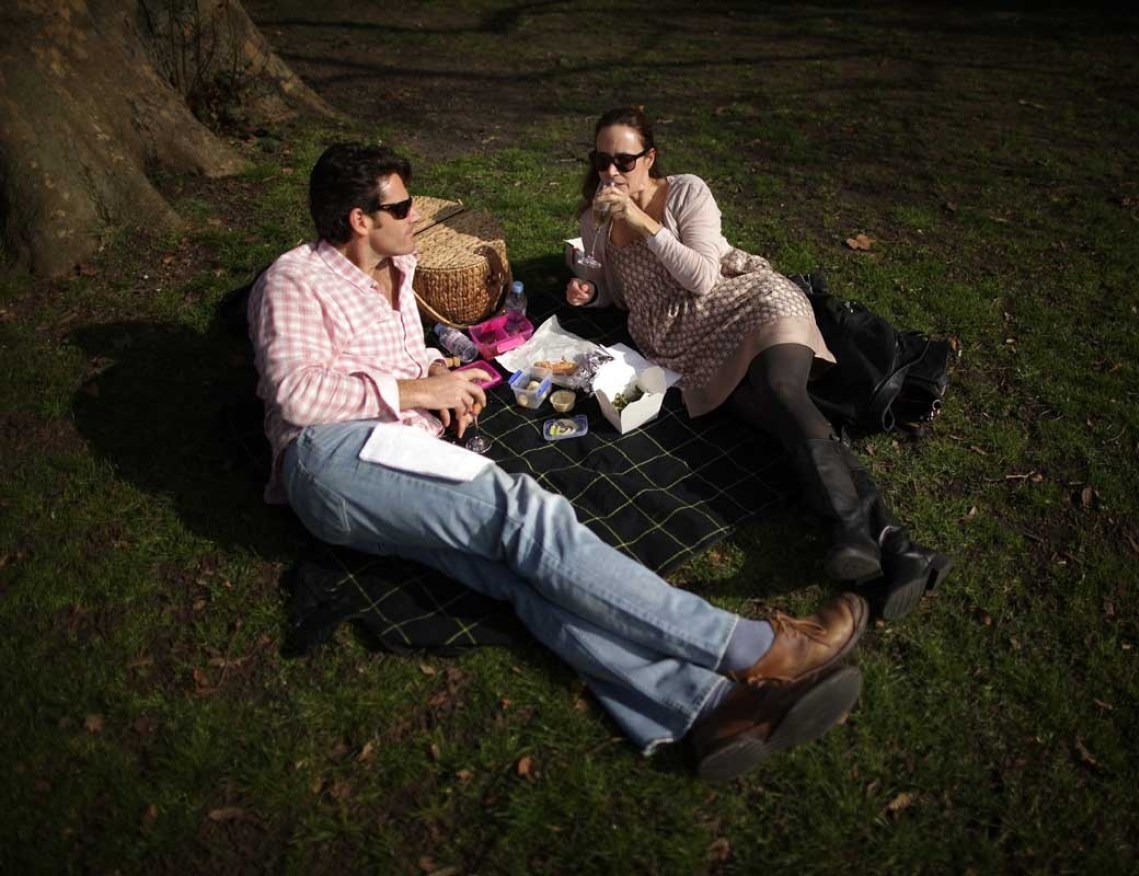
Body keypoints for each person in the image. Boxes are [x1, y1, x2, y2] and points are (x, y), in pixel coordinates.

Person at [248, 141, 872, 782]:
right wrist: (417, 393)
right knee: (526, 517)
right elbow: (294, 395)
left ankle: (706, 708)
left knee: (523, 579)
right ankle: (755, 647)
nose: (416, 217)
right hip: (333, 456)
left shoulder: (399, 273)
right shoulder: (294, 279)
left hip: (398, 451)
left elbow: (403, 363)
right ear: (359, 219)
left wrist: (437, 375)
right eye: (402, 206)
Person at [565, 106, 950, 616]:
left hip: (750, 303)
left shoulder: (685, 192)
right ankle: (899, 549)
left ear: (650, 157)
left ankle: (851, 532)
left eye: (624, 160)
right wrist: (585, 292)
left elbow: (702, 277)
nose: (611, 172)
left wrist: (643, 222)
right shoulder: (595, 218)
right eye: (601, 159)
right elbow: (612, 292)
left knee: (782, 392)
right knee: (781, 421)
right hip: (687, 345)